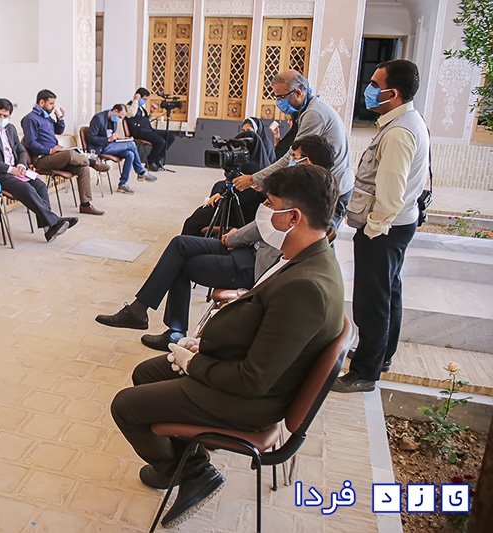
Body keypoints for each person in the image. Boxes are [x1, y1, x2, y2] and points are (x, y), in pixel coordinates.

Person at [110, 164, 344, 528]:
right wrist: (203, 346)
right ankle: (185, 462)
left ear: (293, 217)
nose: (263, 212)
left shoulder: (306, 287)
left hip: (249, 402)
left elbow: (253, 380)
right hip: (244, 371)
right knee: (146, 373)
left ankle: (190, 472)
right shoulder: (307, 256)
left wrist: (194, 363)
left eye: (270, 204)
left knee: (125, 407)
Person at [97, 134, 335, 351]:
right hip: (247, 246)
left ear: (307, 161)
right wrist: (236, 236)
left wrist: (234, 237)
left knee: (180, 265)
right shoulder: (301, 185)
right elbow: (263, 222)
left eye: (294, 157)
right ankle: (140, 310)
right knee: (180, 244)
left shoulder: (308, 197)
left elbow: (267, 226)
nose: (290, 161)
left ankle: (172, 331)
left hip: (253, 263)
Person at [333, 59, 430, 393]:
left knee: (372, 301)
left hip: (384, 229)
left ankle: (365, 373)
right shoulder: (407, 121)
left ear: (394, 93)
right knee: (389, 293)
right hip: (398, 226)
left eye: (376, 84)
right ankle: (381, 354)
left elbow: (391, 194)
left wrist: (373, 229)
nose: (369, 89)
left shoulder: (399, 133)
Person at [232, 70, 354, 230]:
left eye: (281, 97)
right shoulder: (308, 110)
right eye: (276, 97)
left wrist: (255, 178)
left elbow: (293, 157)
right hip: (324, 184)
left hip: (335, 187)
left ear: (298, 93)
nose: (278, 102)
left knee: (320, 237)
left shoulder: (314, 114)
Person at [0, 98, 76, 243]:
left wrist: (21, 165)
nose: (1, 118)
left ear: (10, 116)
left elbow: (21, 151)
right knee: (26, 188)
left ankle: (49, 229)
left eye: (5, 116)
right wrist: (10, 170)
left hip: (14, 170)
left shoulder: (11, 129)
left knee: (40, 186)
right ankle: (54, 221)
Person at [20, 89, 104, 216]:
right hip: (42, 158)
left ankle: (85, 205)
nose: (53, 107)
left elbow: (59, 131)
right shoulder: (30, 119)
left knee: (83, 169)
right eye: (51, 104)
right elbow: (30, 143)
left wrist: (60, 119)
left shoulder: (47, 117)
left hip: (56, 157)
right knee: (70, 154)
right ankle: (92, 162)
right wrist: (49, 150)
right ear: (41, 102)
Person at [180, 129, 272, 235]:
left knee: (193, 223)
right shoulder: (248, 166)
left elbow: (239, 197)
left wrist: (222, 196)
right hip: (231, 209)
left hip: (240, 216)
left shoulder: (258, 176)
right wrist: (218, 193)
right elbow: (224, 184)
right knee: (199, 214)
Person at [86, 104, 158, 194]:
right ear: (115, 111)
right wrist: (108, 139)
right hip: (100, 147)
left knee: (130, 154)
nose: (119, 119)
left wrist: (118, 139)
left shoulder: (113, 120)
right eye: (120, 117)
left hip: (110, 145)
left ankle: (122, 184)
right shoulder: (98, 118)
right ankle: (140, 172)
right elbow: (90, 138)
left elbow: (110, 135)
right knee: (131, 144)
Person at [126, 87, 175, 171]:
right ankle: (150, 161)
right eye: (144, 99)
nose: (144, 101)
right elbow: (131, 114)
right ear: (138, 96)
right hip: (138, 132)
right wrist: (136, 100)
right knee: (160, 141)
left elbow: (146, 121)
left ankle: (157, 159)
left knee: (170, 137)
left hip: (148, 130)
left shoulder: (141, 108)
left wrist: (152, 113)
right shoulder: (130, 106)